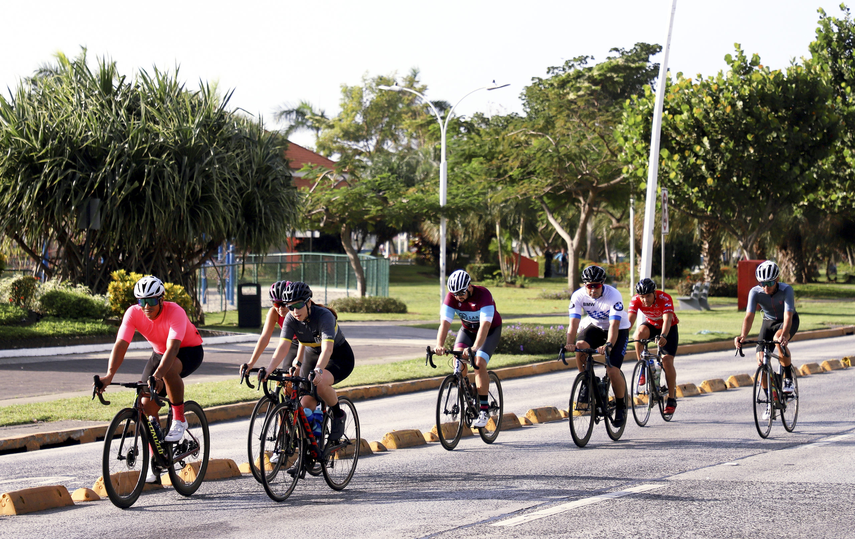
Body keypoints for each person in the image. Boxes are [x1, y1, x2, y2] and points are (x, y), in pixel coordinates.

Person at [96, 275, 204, 483]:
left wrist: (158, 376)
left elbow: (172, 349)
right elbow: (121, 345)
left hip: (187, 350)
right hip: (159, 354)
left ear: (161, 299)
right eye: (141, 301)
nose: (146, 306)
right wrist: (109, 375)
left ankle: (179, 418)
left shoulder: (176, 312)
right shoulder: (133, 314)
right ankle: (155, 460)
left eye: (151, 301)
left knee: (169, 370)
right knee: (145, 405)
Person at [258, 281, 354, 443]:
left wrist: (318, 370)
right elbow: (283, 347)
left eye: (299, 305)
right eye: (290, 307)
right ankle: (307, 454)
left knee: (321, 383)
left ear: (309, 302)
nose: (294, 311)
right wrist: (268, 369)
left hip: (337, 357)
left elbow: (327, 350)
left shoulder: (324, 316)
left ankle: (338, 415)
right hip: (312, 356)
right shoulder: (290, 318)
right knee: (302, 407)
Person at [434, 269, 503, 428]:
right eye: (455, 293)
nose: (458, 296)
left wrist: (475, 347)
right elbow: (444, 324)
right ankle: (468, 391)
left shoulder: (483, 295)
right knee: (458, 361)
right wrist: (439, 345)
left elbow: (485, 325)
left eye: (461, 292)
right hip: (468, 330)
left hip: (489, 331)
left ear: (469, 286)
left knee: (478, 363)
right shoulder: (451, 297)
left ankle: (484, 410)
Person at [563, 265, 631, 427]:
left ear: (603, 284)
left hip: (618, 330)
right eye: (589, 286)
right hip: (596, 327)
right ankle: (587, 382)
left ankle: (621, 405)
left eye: (596, 286)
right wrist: (569, 343)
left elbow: (614, 326)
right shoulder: (578, 296)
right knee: (580, 347)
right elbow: (573, 324)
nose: (592, 290)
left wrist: (608, 345)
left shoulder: (613, 295)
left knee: (612, 370)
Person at [734, 261, 799, 416]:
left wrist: (785, 334)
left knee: (778, 339)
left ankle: (788, 377)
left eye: (769, 283)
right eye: (762, 283)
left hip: (787, 321)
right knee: (761, 360)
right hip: (768, 322)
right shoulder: (755, 292)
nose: (766, 287)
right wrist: (743, 336)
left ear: (776, 280)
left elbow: (788, 315)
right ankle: (771, 400)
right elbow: (749, 316)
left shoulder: (786, 290)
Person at [627, 277, 680, 415]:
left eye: (648, 296)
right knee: (638, 334)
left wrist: (664, 336)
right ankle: (643, 367)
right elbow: (630, 321)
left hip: (668, 328)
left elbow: (667, 320)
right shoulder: (635, 300)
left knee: (667, 361)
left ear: (654, 293)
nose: (645, 300)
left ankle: (672, 399)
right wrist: (620, 338)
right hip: (652, 325)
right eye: (642, 297)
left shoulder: (665, 298)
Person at [241, 281, 298, 376]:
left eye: (284, 304)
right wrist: (251, 363)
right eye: (276, 304)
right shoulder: (274, 313)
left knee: (299, 374)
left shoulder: (298, 312)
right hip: (291, 343)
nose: (280, 309)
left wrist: (298, 362)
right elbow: (264, 338)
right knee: (287, 381)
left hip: (307, 343)